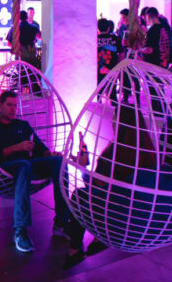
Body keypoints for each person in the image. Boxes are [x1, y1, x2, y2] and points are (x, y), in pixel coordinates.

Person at [63, 105, 156, 269]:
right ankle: (95, 239)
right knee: (85, 196)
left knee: (79, 196)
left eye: (114, 120)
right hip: (139, 211)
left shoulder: (116, 152)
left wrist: (83, 167)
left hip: (115, 212)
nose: (112, 124)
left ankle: (77, 248)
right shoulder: (148, 150)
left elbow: (97, 188)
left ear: (121, 124)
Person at [0, 91, 69, 253]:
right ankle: (20, 230)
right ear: (0, 106)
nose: (13, 109)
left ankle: (61, 223)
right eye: (9, 105)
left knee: (59, 162)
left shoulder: (23, 125)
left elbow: (41, 149)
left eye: (15, 105)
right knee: (23, 164)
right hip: (5, 167)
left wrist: (49, 154)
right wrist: (17, 147)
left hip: (27, 164)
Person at [97, 18, 121, 84]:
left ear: (98, 28)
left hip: (98, 69)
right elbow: (120, 52)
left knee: (99, 90)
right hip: (112, 68)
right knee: (112, 90)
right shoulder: (115, 38)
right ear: (108, 28)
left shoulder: (95, 39)